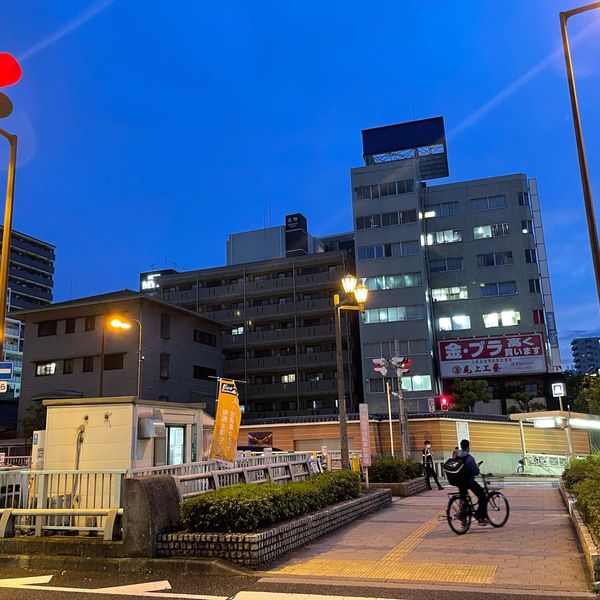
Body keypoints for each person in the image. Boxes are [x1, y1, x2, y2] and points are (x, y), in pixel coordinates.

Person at [456, 439, 488, 523]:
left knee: (464, 498)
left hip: (459, 481)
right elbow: (475, 472)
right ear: (468, 447)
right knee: (482, 495)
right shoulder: (469, 458)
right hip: (468, 481)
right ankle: (480, 516)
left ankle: (463, 517)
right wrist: (476, 467)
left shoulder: (457, 455)